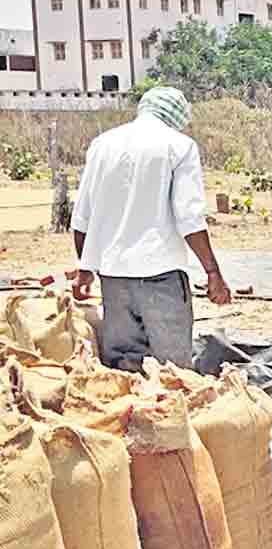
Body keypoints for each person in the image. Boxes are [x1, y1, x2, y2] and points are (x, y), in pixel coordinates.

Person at [71, 86, 231, 371]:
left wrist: (86, 269)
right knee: (173, 373)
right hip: (161, 277)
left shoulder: (102, 144)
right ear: (178, 116)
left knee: (124, 369)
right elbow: (190, 218)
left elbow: (82, 216)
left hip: (113, 277)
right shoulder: (179, 146)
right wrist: (212, 272)